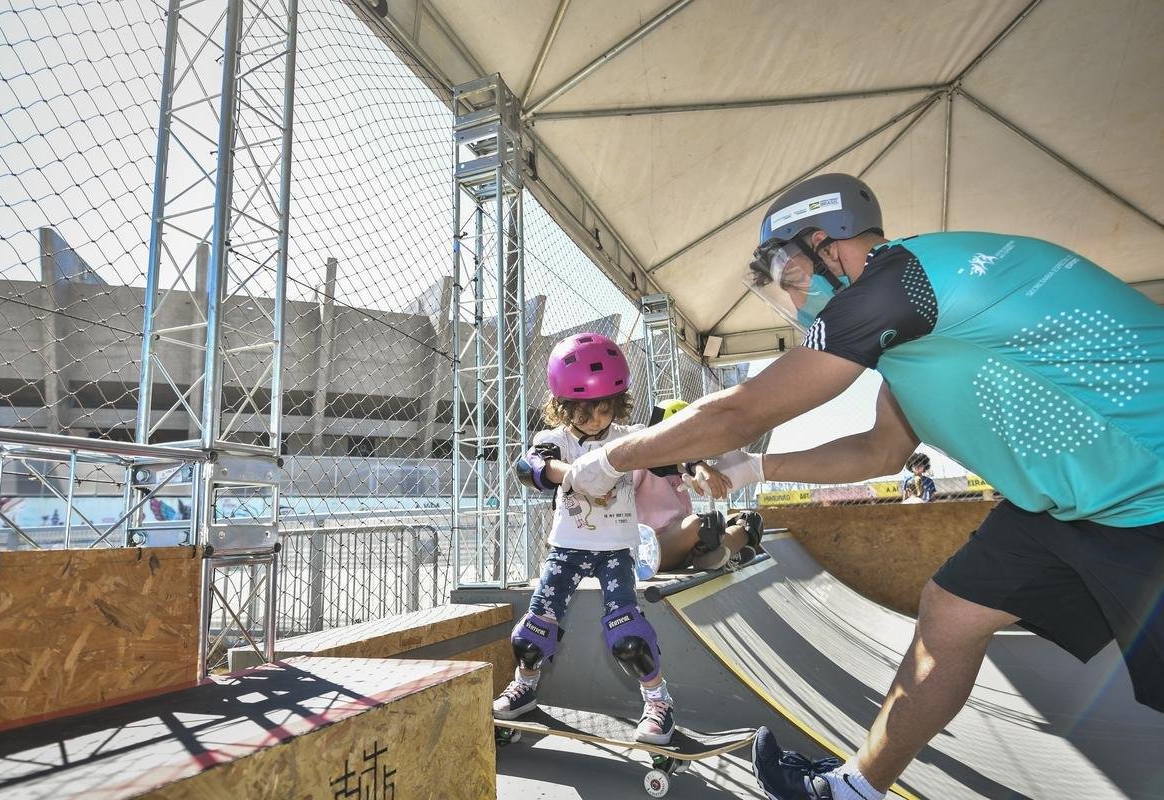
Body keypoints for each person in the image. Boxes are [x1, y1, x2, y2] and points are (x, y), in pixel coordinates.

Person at [559, 173, 1164, 800]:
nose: (794, 302)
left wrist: (606, 460)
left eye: (792, 275)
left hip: (1153, 491)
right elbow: (881, 449)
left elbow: (741, 412)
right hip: (1067, 508)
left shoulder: (900, 282)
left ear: (828, 243)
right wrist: (757, 470)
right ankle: (855, 790)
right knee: (951, 614)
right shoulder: (912, 332)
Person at [493, 332, 679, 744]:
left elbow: (667, 459)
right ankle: (525, 684)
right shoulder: (554, 440)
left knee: (627, 637)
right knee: (531, 635)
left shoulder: (626, 439)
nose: (595, 418)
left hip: (615, 551)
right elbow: (531, 467)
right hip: (567, 550)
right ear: (562, 406)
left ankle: (658, 702)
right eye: (583, 410)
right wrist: (573, 473)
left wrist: (695, 467)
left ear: (618, 403)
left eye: (604, 408)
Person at [636, 399, 768, 570]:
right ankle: (721, 553)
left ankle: (717, 556)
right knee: (702, 523)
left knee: (749, 520)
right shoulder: (638, 464)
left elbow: (691, 463)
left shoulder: (684, 469)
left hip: (686, 542)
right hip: (654, 547)